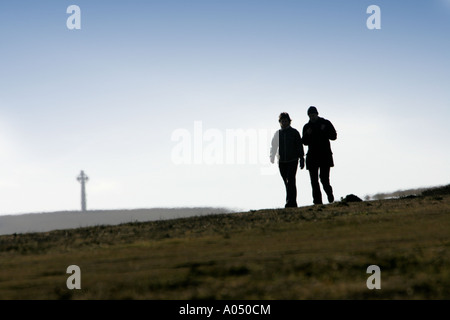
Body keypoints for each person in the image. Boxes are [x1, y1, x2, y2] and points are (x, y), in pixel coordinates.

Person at [302, 106, 337, 205]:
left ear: (317, 114)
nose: (312, 117)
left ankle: (329, 194)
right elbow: (304, 142)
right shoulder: (306, 127)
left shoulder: (325, 123)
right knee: (314, 181)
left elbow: (334, 136)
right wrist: (307, 134)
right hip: (312, 157)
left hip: (325, 156)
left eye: (313, 114)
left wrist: (325, 129)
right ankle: (317, 202)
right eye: (310, 115)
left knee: (324, 179)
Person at [270, 112, 305, 208]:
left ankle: (291, 202)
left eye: (286, 121)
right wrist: (272, 156)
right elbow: (273, 146)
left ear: (289, 121)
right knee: (286, 182)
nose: (284, 123)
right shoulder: (277, 134)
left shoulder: (294, 132)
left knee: (291, 181)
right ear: (280, 122)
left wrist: (302, 158)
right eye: (282, 121)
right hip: (281, 162)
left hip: (293, 160)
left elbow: (299, 146)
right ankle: (290, 201)